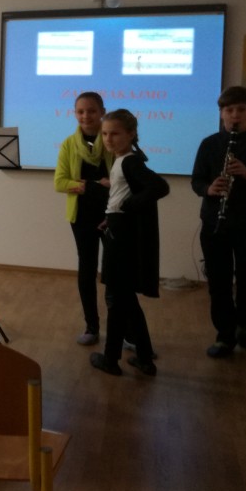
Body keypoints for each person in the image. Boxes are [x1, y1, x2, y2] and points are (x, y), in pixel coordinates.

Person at [191, 86, 246, 358]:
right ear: (221, 113)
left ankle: (244, 322)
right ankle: (224, 335)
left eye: (241, 110)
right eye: (229, 110)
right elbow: (196, 181)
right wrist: (209, 189)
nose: (235, 115)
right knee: (218, 280)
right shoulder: (209, 144)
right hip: (214, 222)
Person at [90, 109, 169, 377]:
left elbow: (160, 187)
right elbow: (121, 195)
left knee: (116, 298)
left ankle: (110, 359)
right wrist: (111, 217)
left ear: (131, 134)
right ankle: (145, 358)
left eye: (115, 133)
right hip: (117, 228)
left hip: (122, 238)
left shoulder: (130, 162)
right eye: (104, 134)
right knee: (126, 299)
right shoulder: (121, 160)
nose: (108, 139)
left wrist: (127, 207)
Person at [54, 92, 113, 346]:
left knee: (114, 273)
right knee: (87, 271)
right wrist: (91, 186)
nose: (85, 116)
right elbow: (60, 182)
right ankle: (92, 326)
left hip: (113, 215)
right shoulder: (69, 144)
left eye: (91, 111)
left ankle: (123, 330)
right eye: (80, 111)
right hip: (82, 216)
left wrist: (93, 184)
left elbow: (122, 179)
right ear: (75, 113)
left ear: (102, 112)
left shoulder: (112, 139)